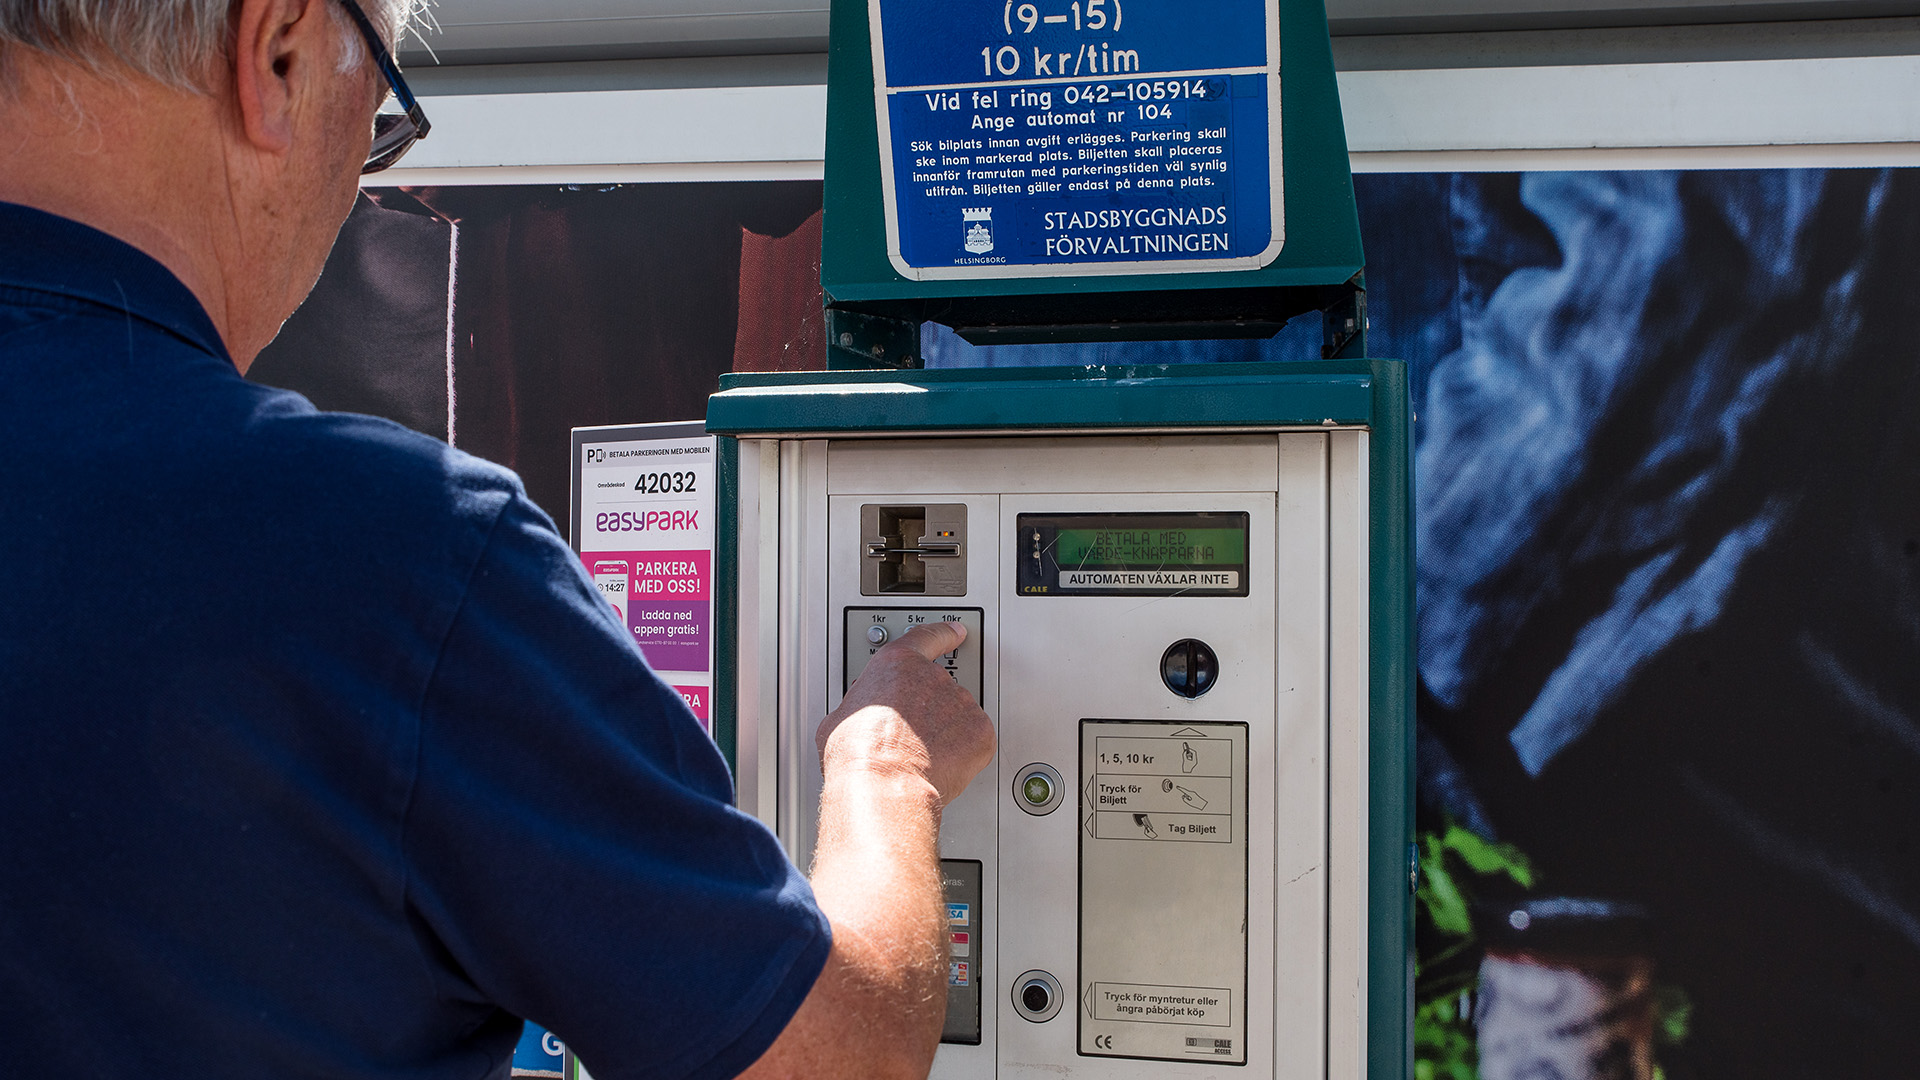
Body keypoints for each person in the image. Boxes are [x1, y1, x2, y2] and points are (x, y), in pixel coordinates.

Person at [0, 2, 995, 1078]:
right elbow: (828, 1059)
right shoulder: (392, 551)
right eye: (377, 121)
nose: (361, 190)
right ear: (276, 53)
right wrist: (887, 764)